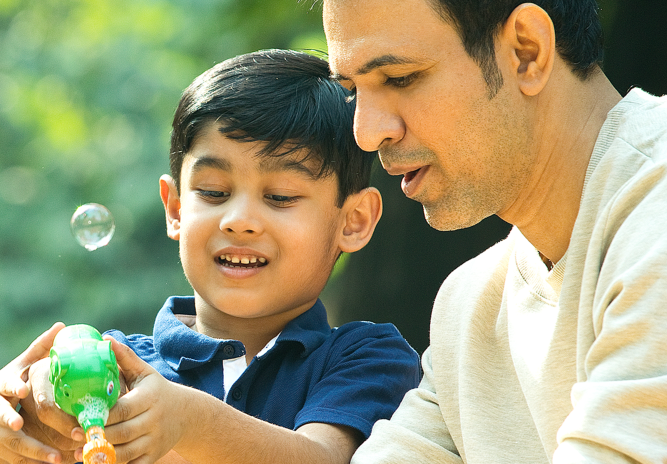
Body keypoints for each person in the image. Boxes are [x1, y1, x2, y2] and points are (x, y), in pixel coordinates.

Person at [298, 0, 667, 462]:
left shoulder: (655, 211)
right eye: (352, 90)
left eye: (400, 77)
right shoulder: (470, 306)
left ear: (526, 52)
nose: (367, 134)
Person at [0, 49, 420, 464]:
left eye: (280, 196)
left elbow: (323, 458)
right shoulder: (117, 371)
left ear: (354, 220)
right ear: (176, 209)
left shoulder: (366, 358)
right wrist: (24, 425)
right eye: (214, 193)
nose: (239, 220)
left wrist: (190, 421)